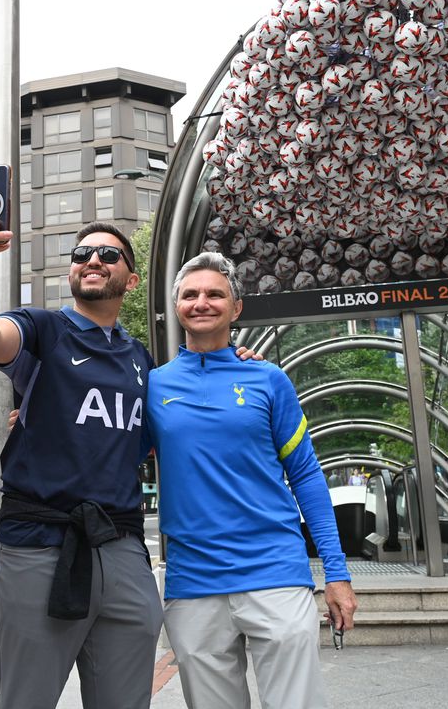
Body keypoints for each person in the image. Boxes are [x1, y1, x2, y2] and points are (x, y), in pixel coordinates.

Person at [0, 198, 161, 709]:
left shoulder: (141, 361)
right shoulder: (44, 328)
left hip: (123, 549)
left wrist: (231, 358)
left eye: (109, 256)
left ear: (131, 281)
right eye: (83, 252)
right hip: (39, 548)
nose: (93, 260)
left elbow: (163, 433)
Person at [148, 252, 357, 709]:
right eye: (190, 294)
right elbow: (107, 446)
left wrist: (337, 574)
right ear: (178, 305)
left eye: (214, 294)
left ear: (236, 308)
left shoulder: (269, 379)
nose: (201, 302)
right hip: (193, 581)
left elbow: (306, 475)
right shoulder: (153, 385)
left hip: (276, 573)